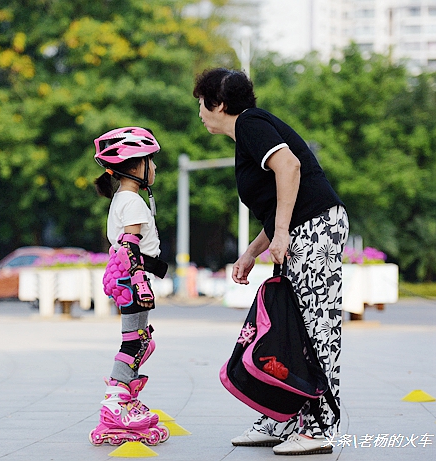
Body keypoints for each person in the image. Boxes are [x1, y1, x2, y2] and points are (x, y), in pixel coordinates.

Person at [193, 68, 349, 455]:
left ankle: (320, 427)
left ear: (220, 104)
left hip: (315, 230)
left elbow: (290, 167)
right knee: (288, 329)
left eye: (201, 103)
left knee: (315, 329)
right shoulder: (248, 133)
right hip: (302, 231)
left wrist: (281, 234)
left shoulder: (250, 123)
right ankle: (286, 417)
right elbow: (279, 201)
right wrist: (252, 251)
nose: (199, 112)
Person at [88, 127, 170, 447]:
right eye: (151, 161)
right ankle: (115, 404)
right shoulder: (133, 201)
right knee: (135, 343)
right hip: (132, 276)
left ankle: (125, 400)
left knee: (139, 341)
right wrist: (140, 284)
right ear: (135, 167)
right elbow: (130, 246)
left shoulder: (122, 199)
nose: (155, 167)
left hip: (126, 278)